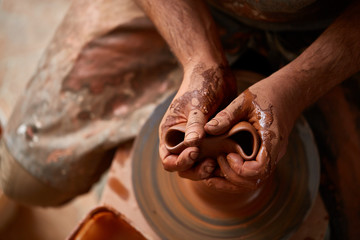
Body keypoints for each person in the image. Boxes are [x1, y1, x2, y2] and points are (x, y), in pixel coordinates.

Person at [0, 0, 359, 206]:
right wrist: (199, 59)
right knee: (29, 177)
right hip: (186, 7)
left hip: (334, 26)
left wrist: (297, 87)